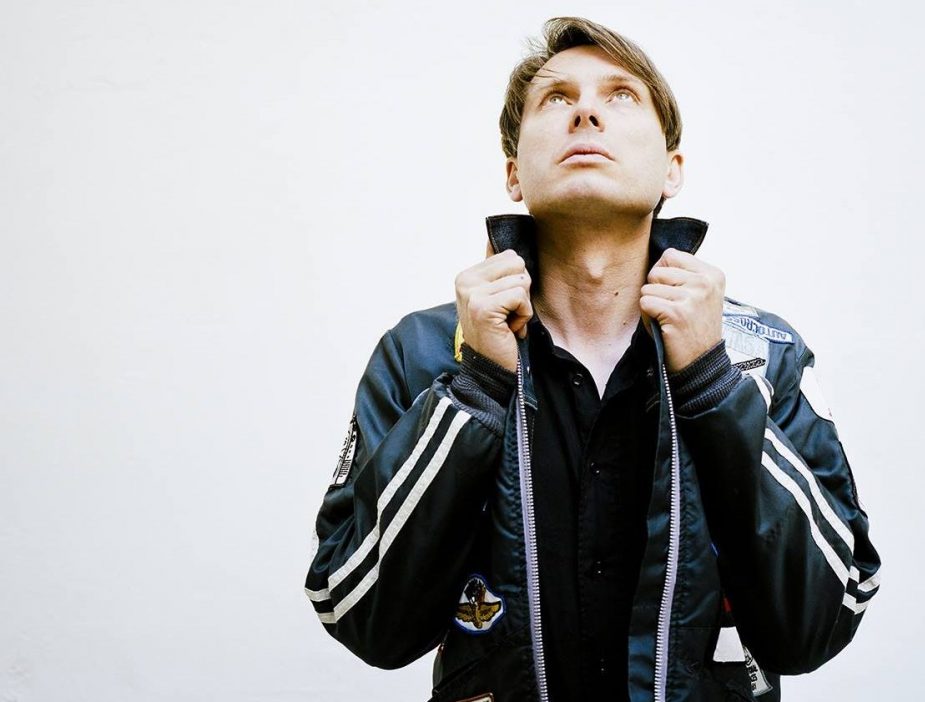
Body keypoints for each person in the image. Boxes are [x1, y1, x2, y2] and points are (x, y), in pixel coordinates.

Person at [304, 16, 881, 702]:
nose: (585, 111)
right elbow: (358, 613)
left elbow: (823, 620)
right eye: (556, 98)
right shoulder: (424, 354)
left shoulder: (761, 356)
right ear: (514, 174)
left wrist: (713, 383)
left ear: (671, 169)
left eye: (620, 95)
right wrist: (476, 390)